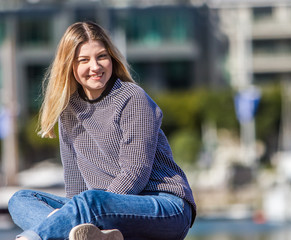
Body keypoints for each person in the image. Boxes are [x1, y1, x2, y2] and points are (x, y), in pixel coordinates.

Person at [8, 21, 196, 240]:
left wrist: (90, 211)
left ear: (112, 59)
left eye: (101, 57)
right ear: (70, 66)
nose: (95, 67)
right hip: (103, 212)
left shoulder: (132, 98)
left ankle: (34, 238)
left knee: (90, 201)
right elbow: (75, 182)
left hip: (164, 206)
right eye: (84, 60)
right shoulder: (68, 110)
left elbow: (136, 172)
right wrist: (82, 219)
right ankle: (90, 235)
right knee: (20, 200)